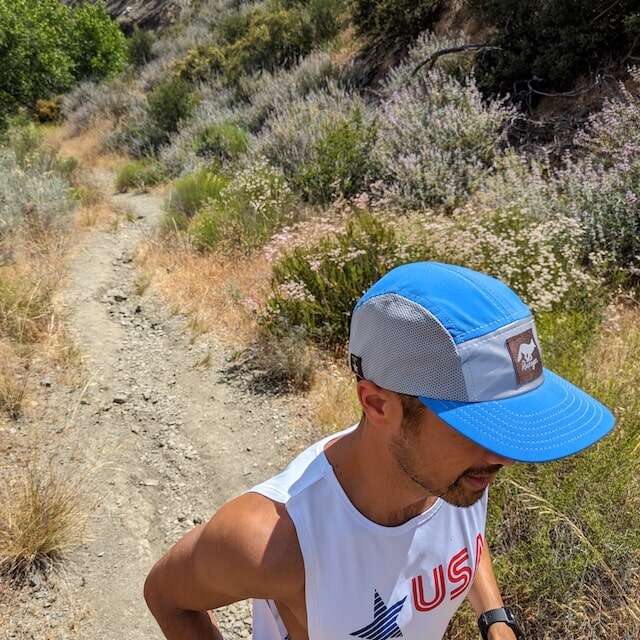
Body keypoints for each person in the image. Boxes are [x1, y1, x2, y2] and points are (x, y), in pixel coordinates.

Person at [144, 261, 616, 640]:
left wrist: (495, 619)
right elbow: (167, 596)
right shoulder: (274, 541)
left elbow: (464, 541)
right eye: (480, 428)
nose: (505, 457)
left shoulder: (461, 474)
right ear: (377, 403)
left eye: (506, 430)